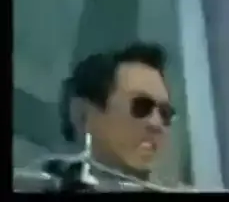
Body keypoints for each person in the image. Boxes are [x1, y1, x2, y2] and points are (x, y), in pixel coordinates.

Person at [15, 42, 178, 192]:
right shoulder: (32, 184)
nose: (157, 124)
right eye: (141, 106)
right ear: (82, 115)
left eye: (165, 113)